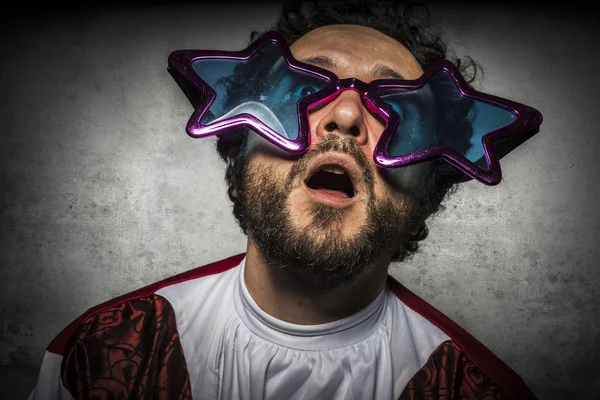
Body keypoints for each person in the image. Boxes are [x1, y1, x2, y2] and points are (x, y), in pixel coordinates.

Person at [28, 1, 541, 399]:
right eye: (299, 91)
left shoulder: (478, 389)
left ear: (426, 195)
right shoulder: (98, 353)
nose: (345, 116)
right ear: (239, 155)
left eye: (395, 110)